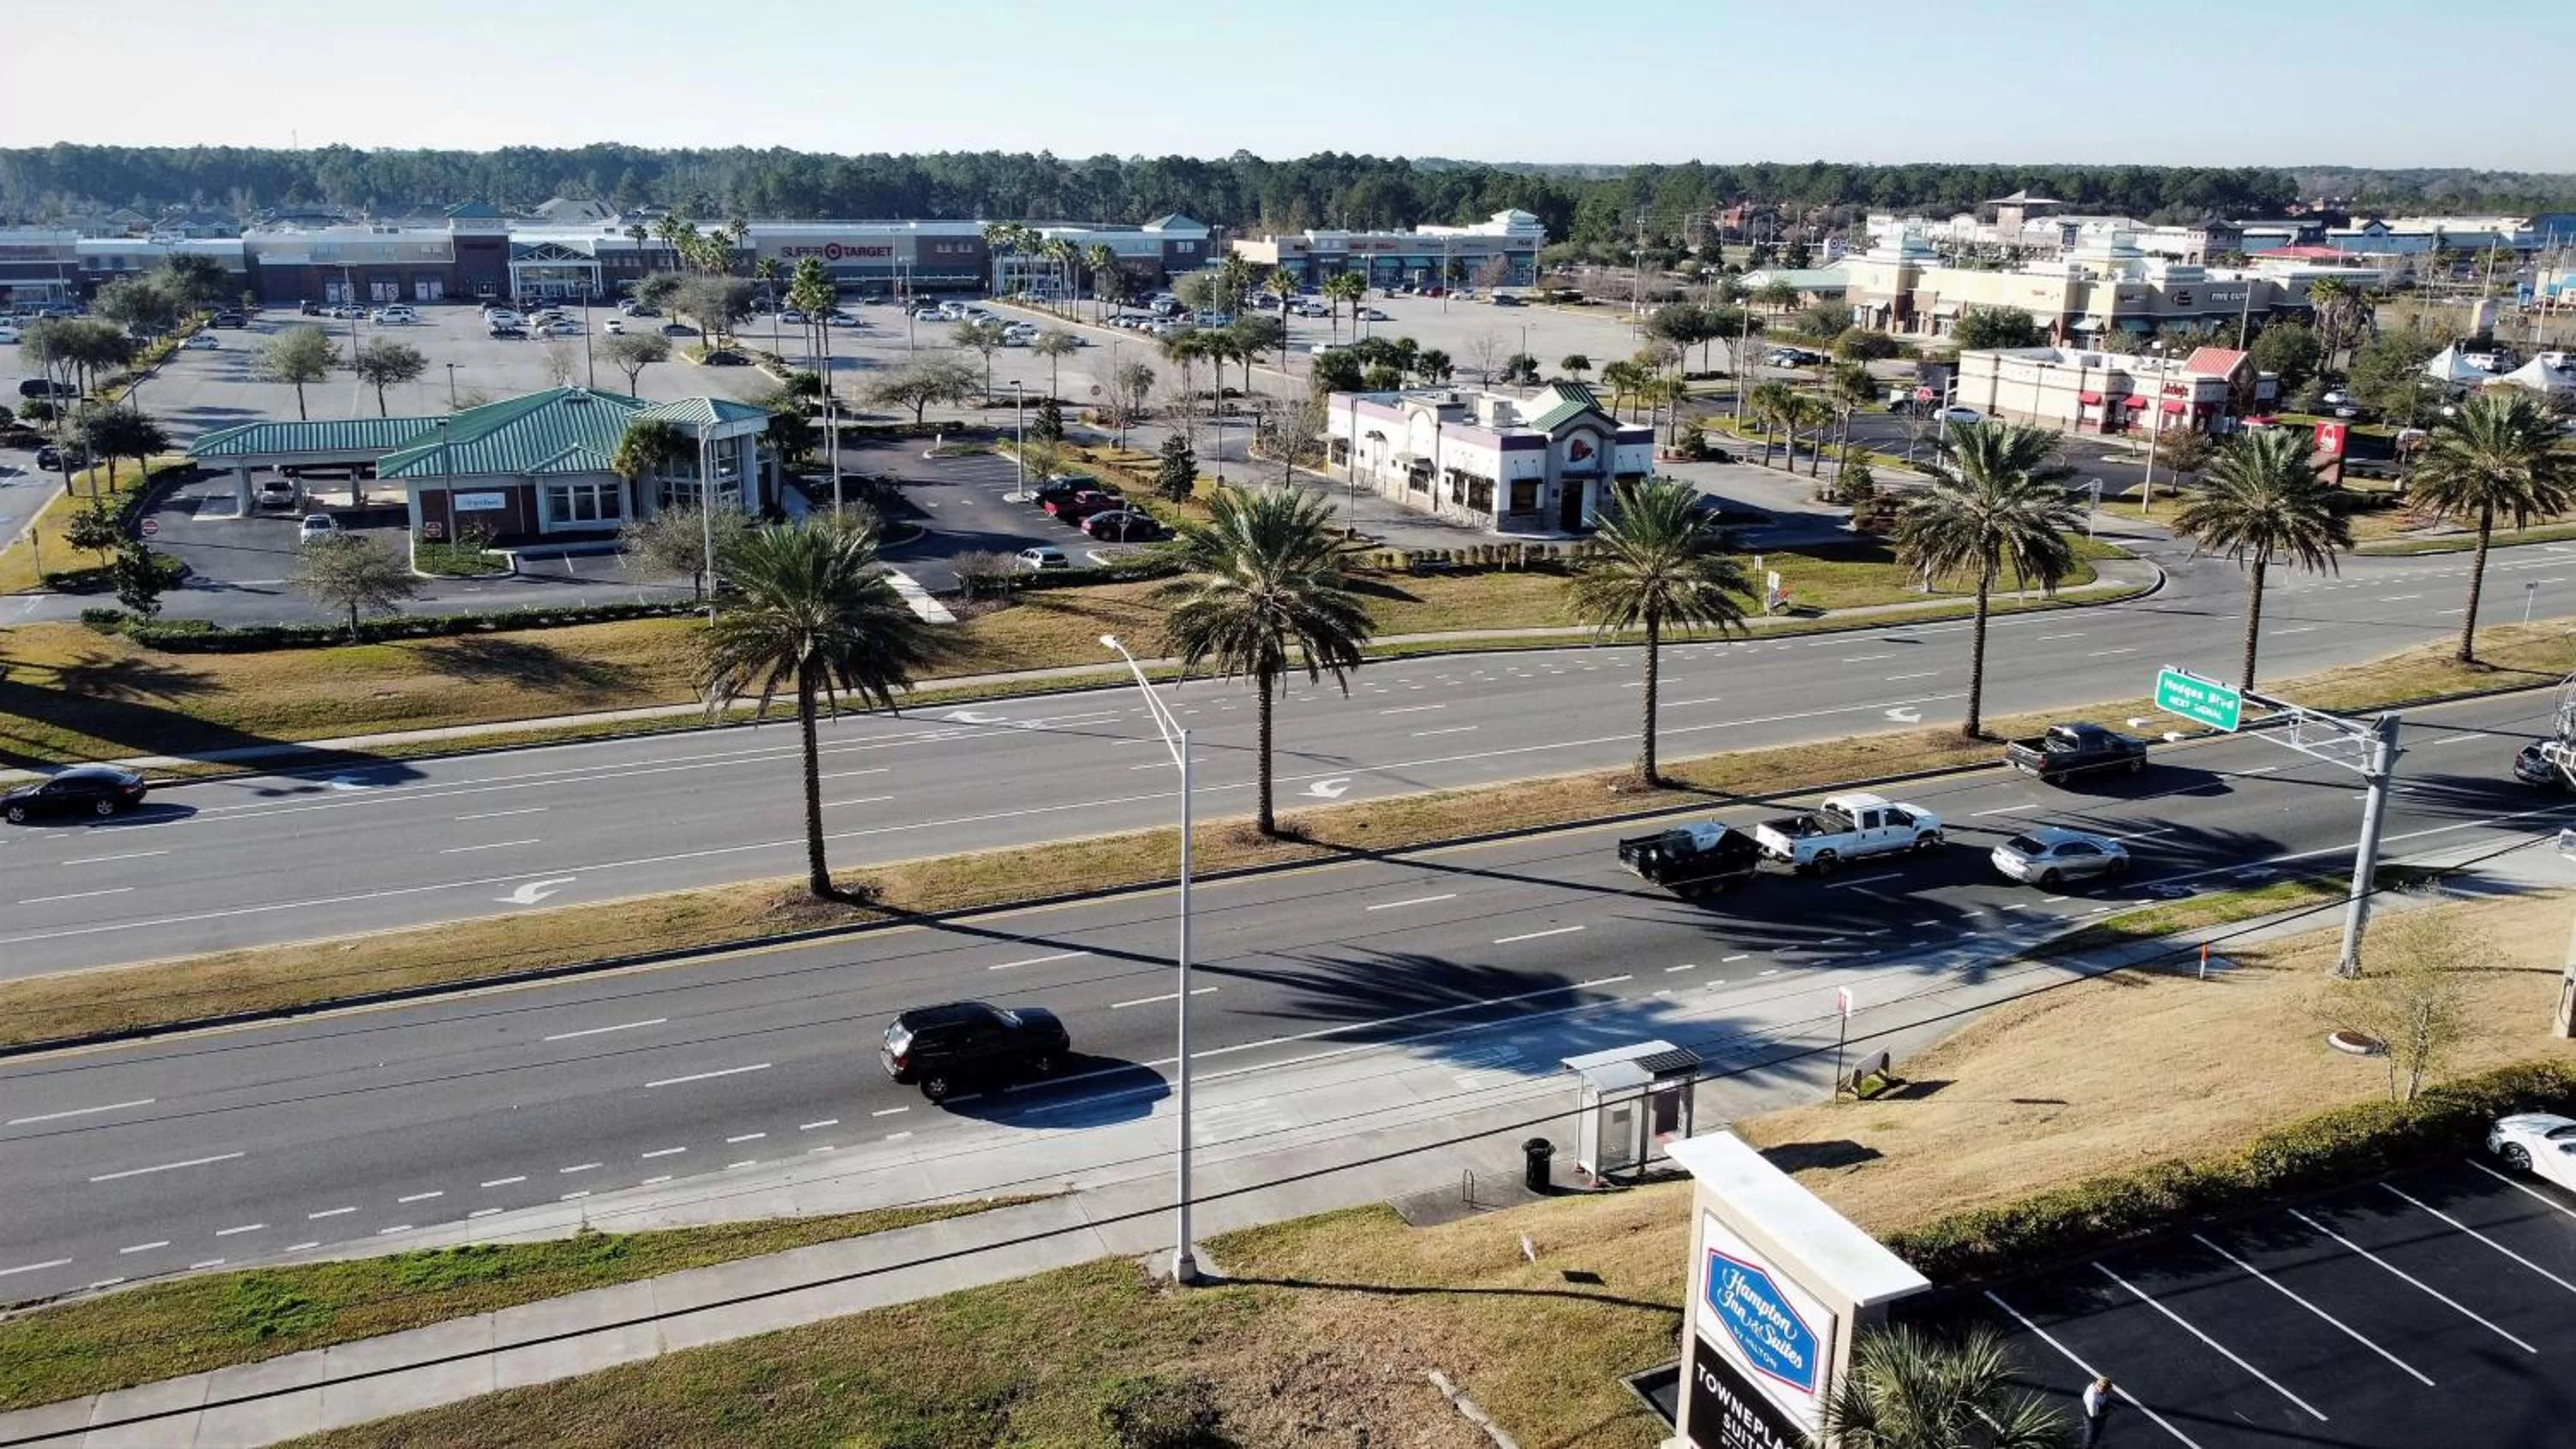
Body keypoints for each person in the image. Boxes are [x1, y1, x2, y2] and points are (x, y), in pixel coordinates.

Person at [2081, 1374, 2113, 1446]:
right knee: (2090, 1438)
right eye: (2107, 1390)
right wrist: (2107, 1413)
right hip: (2092, 1418)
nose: (2108, 1391)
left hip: (2098, 1408)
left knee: (2096, 1433)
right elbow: (2094, 1415)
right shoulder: (2092, 1400)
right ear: (2101, 1388)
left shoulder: (2095, 1386)